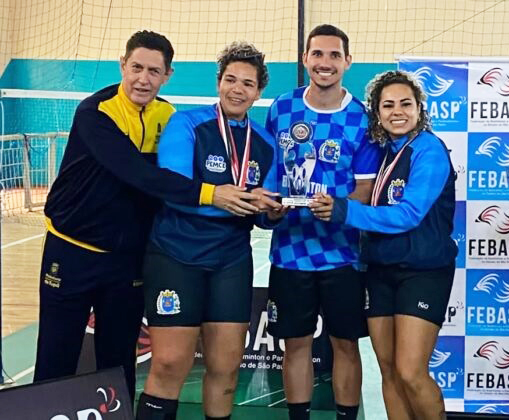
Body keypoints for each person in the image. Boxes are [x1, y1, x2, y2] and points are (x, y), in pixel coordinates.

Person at [35, 30, 259, 400]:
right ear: (123, 65)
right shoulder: (96, 112)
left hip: (128, 261)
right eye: (136, 67)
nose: (143, 79)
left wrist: (254, 200)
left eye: (154, 71)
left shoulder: (168, 116)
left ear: (167, 75)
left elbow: (180, 177)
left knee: (118, 361)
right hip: (72, 251)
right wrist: (213, 194)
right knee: (55, 359)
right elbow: (140, 175)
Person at [135, 41, 283, 420]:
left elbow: (262, 215)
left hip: (230, 261)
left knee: (227, 369)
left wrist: (272, 212)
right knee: (169, 363)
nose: (238, 89)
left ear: (258, 92)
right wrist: (226, 197)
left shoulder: (266, 143)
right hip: (176, 255)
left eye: (248, 83)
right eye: (230, 79)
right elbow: (174, 189)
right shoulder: (186, 124)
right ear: (218, 83)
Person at [311, 70, 457, 420]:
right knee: (388, 371)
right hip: (379, 270)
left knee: (410, 372)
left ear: (419, 108)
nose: (398, 112)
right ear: (377, 113)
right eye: (388, 105)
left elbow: (409, 214)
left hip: (422, 272)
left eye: (406, 104)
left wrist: (344, 210)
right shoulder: (383, 151)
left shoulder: (429, 150)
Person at [264, 24, 381, 420]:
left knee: (345, 344)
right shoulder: (282, 108)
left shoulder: (362, 118)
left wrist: (337, 207)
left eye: (334, 55)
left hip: (343, 255)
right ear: (305, 59)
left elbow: (365, 189)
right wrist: (271, 205)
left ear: (348, 62)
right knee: (295, 345)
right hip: (290, 252)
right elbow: (271, 174)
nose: (325, 63)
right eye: (317, 54)